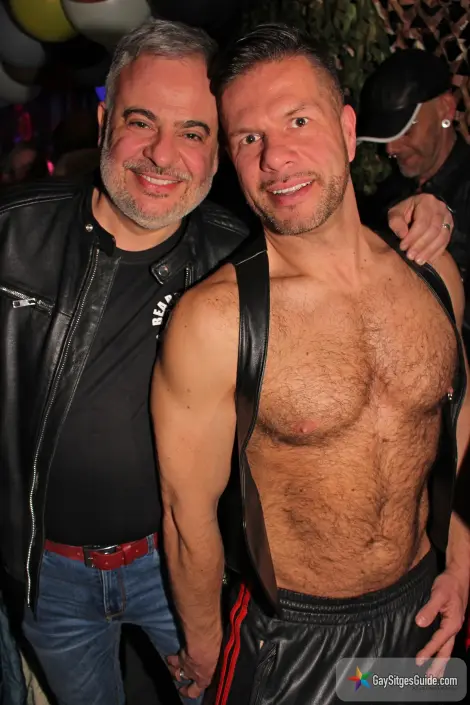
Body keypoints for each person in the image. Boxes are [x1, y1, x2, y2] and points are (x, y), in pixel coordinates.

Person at [0, 17, 455, 705]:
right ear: (103, 122)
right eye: (141, 122)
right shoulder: (16, 238)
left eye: (193, 132)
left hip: (350, 602)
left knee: (400, 695)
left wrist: (420, 211)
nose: (162, 155)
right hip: (65, 575)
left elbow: (319, 221)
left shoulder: (241, 246)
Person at [152, 24, 470, 704]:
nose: (275, 158)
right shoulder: (213, 322)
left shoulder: (432, 272)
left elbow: (457, 412)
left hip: (421, 618)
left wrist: (461, 555)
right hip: (295, 644)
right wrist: (204, 646)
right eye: (248, 138)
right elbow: (187, 516)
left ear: (348, 130)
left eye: (298, 120)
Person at [356, 49, 470, 347]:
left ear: (446, 109)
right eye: (386, 136)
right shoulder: (390, 193)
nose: (391, 149)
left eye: (407, 131)